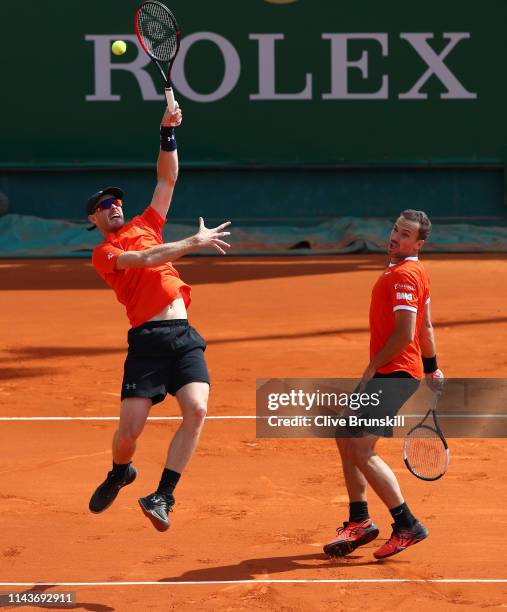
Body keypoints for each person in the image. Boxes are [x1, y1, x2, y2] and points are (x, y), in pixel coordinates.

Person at [87, 103, 231, 532]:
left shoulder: (148, 221)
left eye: (116, 201)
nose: (113, 206)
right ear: (93, 219)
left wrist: (168, 131)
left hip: (183, 333)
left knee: (198, 409)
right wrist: (195, 241)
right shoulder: (105, 253)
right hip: (147, 342)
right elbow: (147, 258)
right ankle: (120, 473)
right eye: (103, 205)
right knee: (129, 433)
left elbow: (167, 177)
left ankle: (162, 495)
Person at [324, 210, 444, 559]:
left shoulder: (405, 275)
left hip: (393, 372)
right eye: (395, 229)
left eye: (406, 235)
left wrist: (372, 368)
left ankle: (406, 523)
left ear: (418, 243)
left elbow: (407, 331)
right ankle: (359, 520)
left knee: (361, 449)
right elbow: (427, 327)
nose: (396, 237)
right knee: (345, 434)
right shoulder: (414, 272)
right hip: (399, 371)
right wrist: (433, 369)